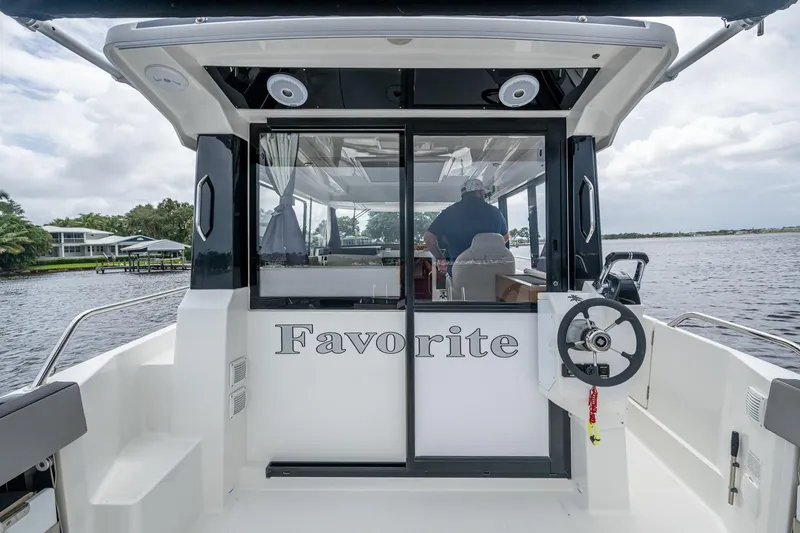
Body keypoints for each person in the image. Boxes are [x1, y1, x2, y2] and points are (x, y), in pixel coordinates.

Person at [423, 178, 510, 276]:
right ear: (478, 193)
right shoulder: (495, 212)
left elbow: (429, 238)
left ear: (463, 194)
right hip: (492, 272)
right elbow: (505, 237)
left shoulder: (449, 212)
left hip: (460, 272)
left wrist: (440, 259)